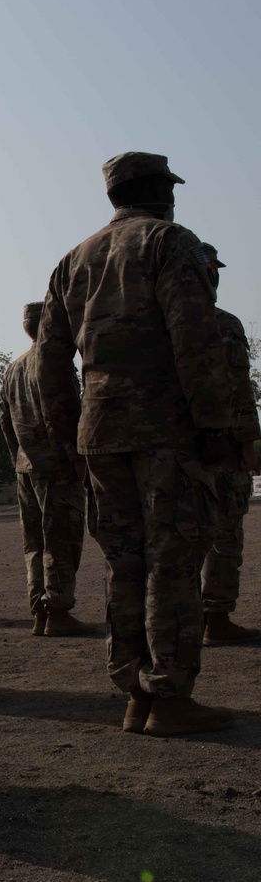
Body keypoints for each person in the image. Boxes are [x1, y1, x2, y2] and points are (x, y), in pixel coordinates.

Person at [36, 151, 232, 737]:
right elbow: (196, 340)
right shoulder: (170, 243)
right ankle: (168, 694)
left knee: (125, 563)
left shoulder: (74, 259)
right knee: (173, 561)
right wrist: (217, 427)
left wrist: (69, 433)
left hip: (100, 434)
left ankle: (134, 693)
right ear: (162, 192)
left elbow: (49, 361)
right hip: (166, 432)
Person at [0, 302, 89, 637]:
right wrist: (76, 457)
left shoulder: (13, 368)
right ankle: (59, 612)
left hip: (26, 467)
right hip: (56, 467)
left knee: (35, 544)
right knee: (61, 540)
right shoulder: (54, 363)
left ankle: (40, 611)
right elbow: (61, 414)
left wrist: (17, 456)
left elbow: (5, 420)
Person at [198, 245, 261, 645]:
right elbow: (238, 389)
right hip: (220, 447)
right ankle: (216, 619)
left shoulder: (158, 323)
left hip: (172, 449)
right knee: (225, 536)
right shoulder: (221, 324)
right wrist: (248, 442)